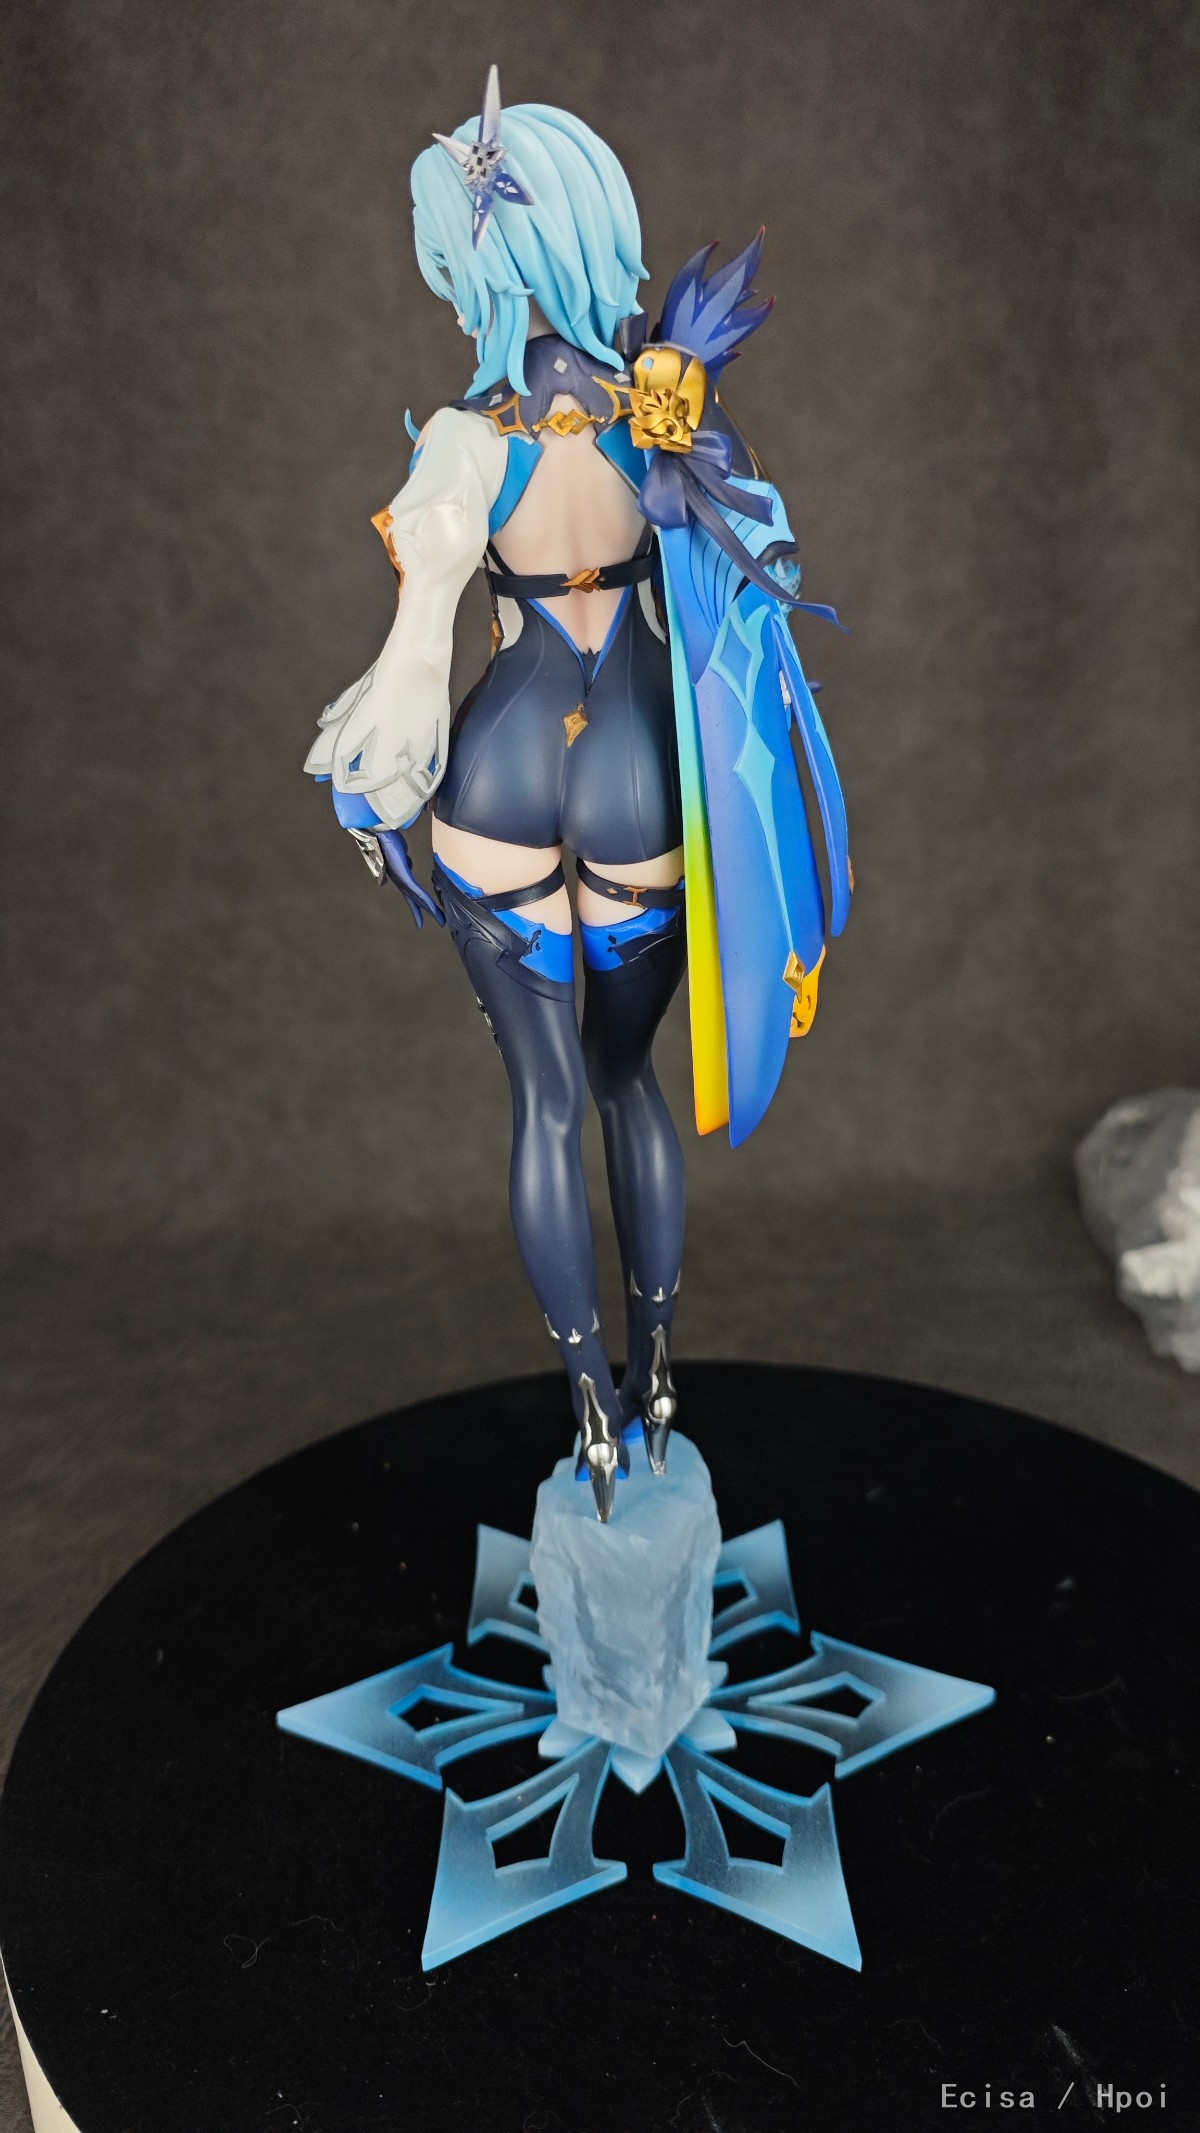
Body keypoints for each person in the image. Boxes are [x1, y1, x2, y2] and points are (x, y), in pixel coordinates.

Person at [305, 70, 853, 1521]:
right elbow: (746, 608)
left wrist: (378, 795)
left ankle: (592, 1409)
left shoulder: (464, 443)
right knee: (625, 1082)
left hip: (493, 779)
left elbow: (419, 651)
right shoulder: (667, 417)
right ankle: (660, 1372)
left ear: (477, 260)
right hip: (637, 786)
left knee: (543, 1101)